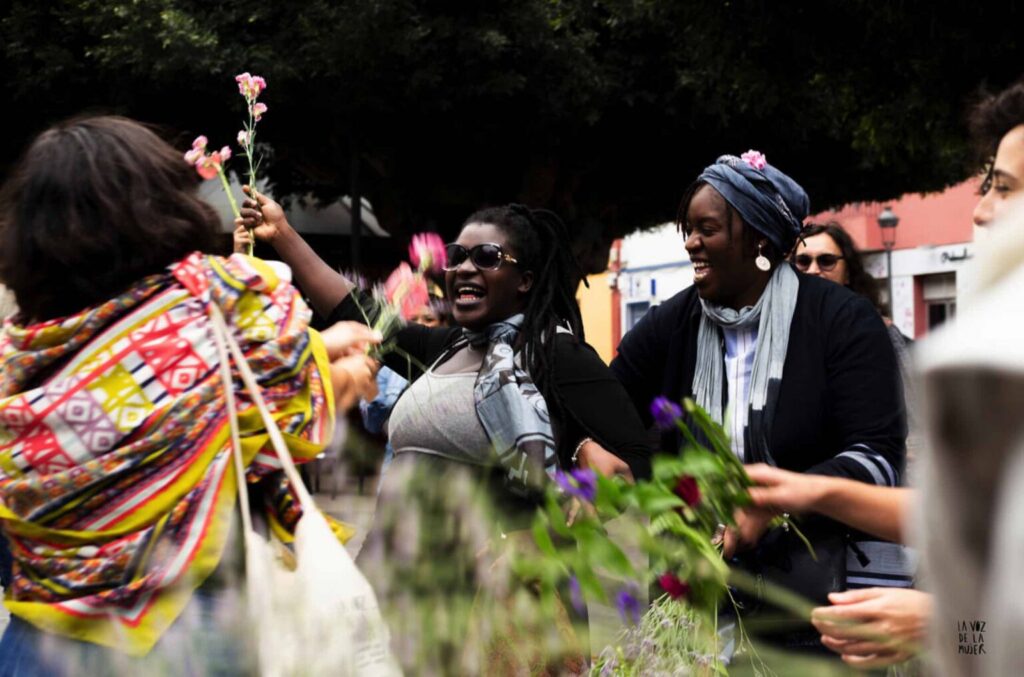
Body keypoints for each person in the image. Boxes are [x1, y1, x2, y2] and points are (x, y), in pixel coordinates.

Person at [0, 115, 380, 673]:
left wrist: (317, 353)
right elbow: (287, 395)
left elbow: (134, 390)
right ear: (156, 206)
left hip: (38, 650)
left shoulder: (19, 357)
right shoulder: (216, 302)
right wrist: (340, 370)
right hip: (186, 641)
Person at [240, 192, 654, 670]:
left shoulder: (555, 356)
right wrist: (283, 234)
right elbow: (359, 312)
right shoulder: (448, 348)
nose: (464, 268)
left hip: (496, 613)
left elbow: (637, 462)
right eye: (457, 256)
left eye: (487, 257)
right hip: (400, 592)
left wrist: (579, 455)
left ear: (525, 280)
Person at [610, 151, 906, 653]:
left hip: (814, 610)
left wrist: (778, 502)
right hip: (694, 600)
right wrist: (593, 447)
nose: (690, 241)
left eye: (707, 229)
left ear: (759, 240)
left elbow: (877, 458)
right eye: (688, 229)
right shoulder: (673, 323)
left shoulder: (841, 319)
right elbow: (606, 405)